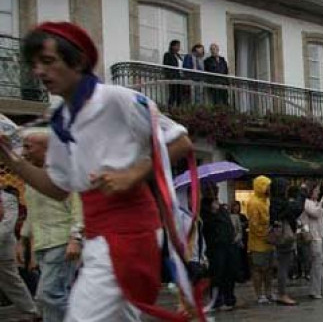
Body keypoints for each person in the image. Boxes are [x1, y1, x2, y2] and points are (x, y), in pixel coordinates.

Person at [1, 22, 195, 321]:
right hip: (98, 235)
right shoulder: (61, 120)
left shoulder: (118, 99)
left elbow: (180, 141)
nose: (39, 72)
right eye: (35, 64)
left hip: (130, 231)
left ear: (77, 61)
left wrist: (132, 174)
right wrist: (15, 162)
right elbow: (58, 187)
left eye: (48, 62)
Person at [15, 130, 83, 322]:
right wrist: (23, 240)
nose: (24, 152)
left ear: (48, 149)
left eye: (29, 147)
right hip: (43, 244)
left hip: (61, 242)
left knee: (49, 295)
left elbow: (79, 209)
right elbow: (33, 212)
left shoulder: (64, 174)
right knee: (55, 294)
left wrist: (75, 239)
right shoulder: (34, 177)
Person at [1, 184, 40, 320]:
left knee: (12, 282)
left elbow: (7, 226)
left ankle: (31, 310)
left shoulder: (8, 199)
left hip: (2, 249)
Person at [199, 184, 240, 311]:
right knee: (217, 273)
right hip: (215, 246)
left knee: (229, 272)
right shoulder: (204, 208)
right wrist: (213, 213)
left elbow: (227, 223)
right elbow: (205, 226)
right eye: (211, 190)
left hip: (227, 244)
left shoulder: (220, 206)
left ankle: (229, 298)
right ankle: (217, 300)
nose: (214, 192)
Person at [246, 175, 274, 304]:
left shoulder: (267, 201)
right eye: (267, 186)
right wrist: (266, 233)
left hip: (269, 241)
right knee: (258, 268)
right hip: (258, 242)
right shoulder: (253, 202)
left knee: (269, 269)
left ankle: (269, 292)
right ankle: (259, 294)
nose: (270, 189)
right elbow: (254, 224)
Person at [299, 184, 323, 299]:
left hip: (321, 234)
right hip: (314, 235)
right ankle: (315, 290)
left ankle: (322, 289)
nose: (318, 193)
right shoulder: (307, 203)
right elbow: (315, 213)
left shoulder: (315, 203)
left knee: (321, 263)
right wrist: (321, 202)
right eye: (316, 190)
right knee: (316, 263)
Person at [162, 39, 185, 107]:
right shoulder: (168, 54)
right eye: (177, 45)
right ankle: (170, 108)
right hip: (173, 77)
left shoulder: (179, 56)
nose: (178, 47)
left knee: (179, 95)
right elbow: (166, 66)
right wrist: (169, 75)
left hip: (180, 77)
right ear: (172, 46)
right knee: (173, 94)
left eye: (179, 46)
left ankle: (178, 109)